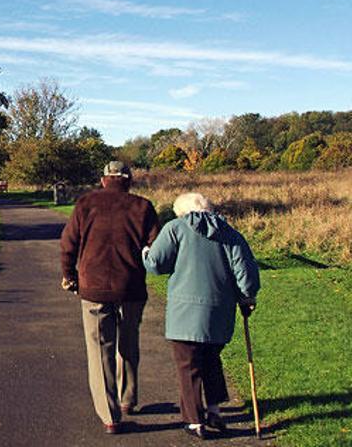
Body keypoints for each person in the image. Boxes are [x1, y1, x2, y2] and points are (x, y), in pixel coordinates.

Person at [143, 192, 259, 440]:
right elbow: (245, 273)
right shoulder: (230, 233)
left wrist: (145, 252)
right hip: (220, 312)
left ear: (182, 212)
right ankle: (215, 410)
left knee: (188, 366)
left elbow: (155, 264)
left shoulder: (175, 228)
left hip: (184, 314)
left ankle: (195, 421)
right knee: (211, 360)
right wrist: (248, 298)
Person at [59, 161, 160, 434]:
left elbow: (68, 243)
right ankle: (127, 399)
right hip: (131, 288)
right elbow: (155, 248)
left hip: (93, 288)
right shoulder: (143, 207)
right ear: (128, 180)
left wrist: (69, 275)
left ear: (104, 180)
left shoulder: (85, 204)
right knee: (128, 344)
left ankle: (110, 415)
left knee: (99, 350)